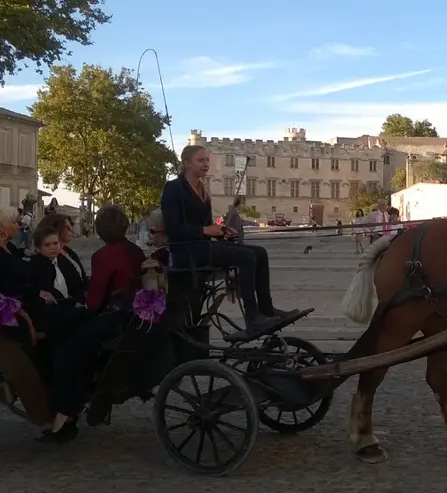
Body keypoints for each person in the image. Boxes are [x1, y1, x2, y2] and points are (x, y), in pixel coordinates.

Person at [41, 206, 147, 443]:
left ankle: (66, 414)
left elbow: (94, 302)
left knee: (68, 352)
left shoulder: (104, 255)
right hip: (133, 315)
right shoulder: (134, 250)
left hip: (114, 319)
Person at [161, 145, 294, 332]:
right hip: (186, 251)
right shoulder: (174, 188)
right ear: (186, 164)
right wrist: (204, 231)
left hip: (204, 247)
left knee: (260, 253)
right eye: (201, 160)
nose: (206, 164)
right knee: (246, 257)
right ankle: (252, 316)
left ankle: (266, 308)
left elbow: (208, 226)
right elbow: (174, 228)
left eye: (207, 160)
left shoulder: (203, 191)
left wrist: (222, 232)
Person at [37, 212, 88, 294]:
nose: (71, 230)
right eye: (67, 227)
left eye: (71, 225)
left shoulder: (68, 251)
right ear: (56, 229)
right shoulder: (49, 256)